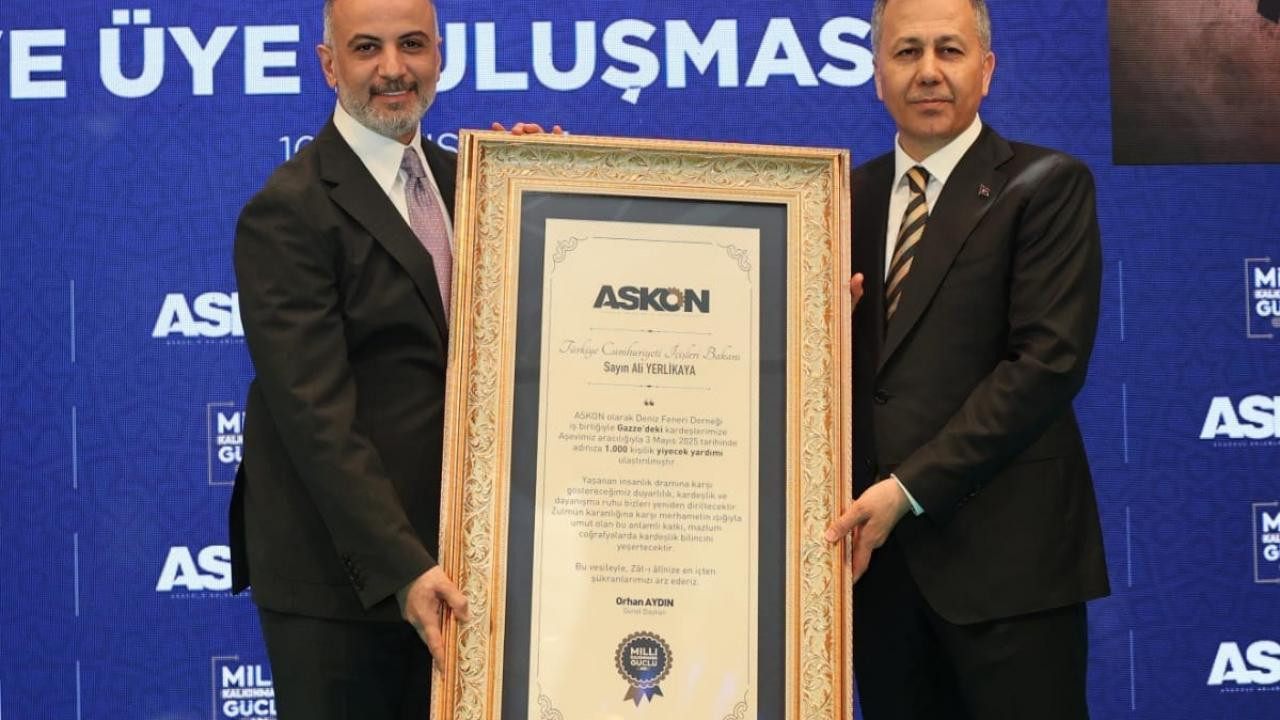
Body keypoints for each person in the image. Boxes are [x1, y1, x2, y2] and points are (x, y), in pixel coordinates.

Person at [229, 0, 551, 715]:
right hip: (346, 590)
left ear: (439, 54)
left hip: (470, 572)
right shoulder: (288, 211)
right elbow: (316, 419)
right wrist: (405, 567)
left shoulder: (477, 184)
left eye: (412, 44)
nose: (393, 68)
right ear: (329, 65)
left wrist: (550, 191)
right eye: (367, 48)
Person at [824, 0, 1109, 718]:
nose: (928, 72)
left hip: (1010, 575)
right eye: (906, 52)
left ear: (986, 69)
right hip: (879, 576)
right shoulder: (835, 201)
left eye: (949, 51)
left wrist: (904, 490)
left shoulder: (1046, 185)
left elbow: (1045, 364)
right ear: (876, 75)